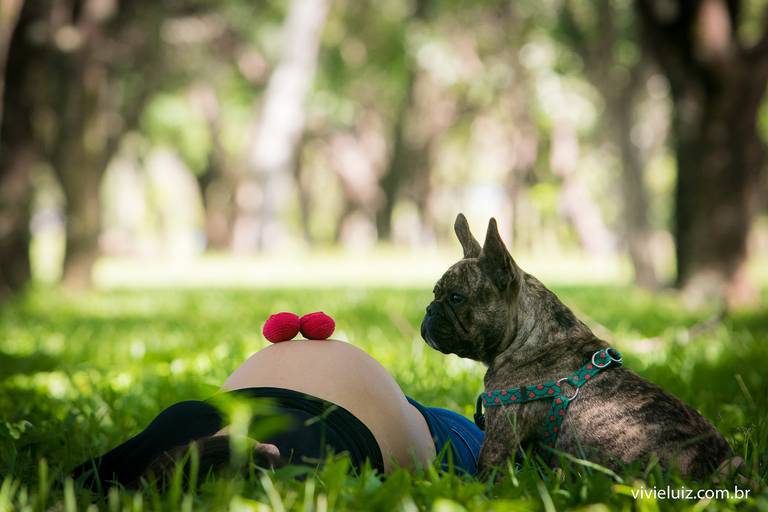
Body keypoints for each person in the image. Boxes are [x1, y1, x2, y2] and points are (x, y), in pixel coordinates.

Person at [71, 339, 483, 491]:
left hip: (374, 416)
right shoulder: (314, 468)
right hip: (428, 429)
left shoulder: (174, 437)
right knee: (488, 443)